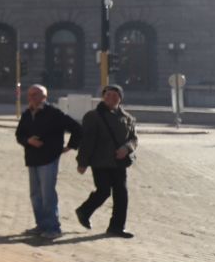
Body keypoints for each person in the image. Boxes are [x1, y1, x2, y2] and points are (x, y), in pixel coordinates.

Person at [14, 84, 82, 239]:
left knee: (47, 194)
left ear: (44, 97)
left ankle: (53, 228)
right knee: (35, 194)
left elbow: (77, 128)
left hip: (48, 159)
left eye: (35, 94)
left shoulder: (54, 113)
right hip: (32, 158)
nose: (31, 97)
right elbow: (19, 135)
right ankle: (41, 225)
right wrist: (28, 141)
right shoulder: (27, 113)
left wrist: (70, 146)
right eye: (30, 94)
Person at [75, 84, 139, 238]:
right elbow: (87, 141)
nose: (111, 98)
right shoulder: (93, 116)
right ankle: (84, 211)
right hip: (100, 161)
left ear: (120, 98)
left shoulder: (128, 118)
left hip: (119, 162)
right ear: (103, 97)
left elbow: (133, 139)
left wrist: (127, 148)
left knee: (121, 194)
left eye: (115, 95)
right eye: (108, 95)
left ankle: (116, 227)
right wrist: (82, 162)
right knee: (103, 191)